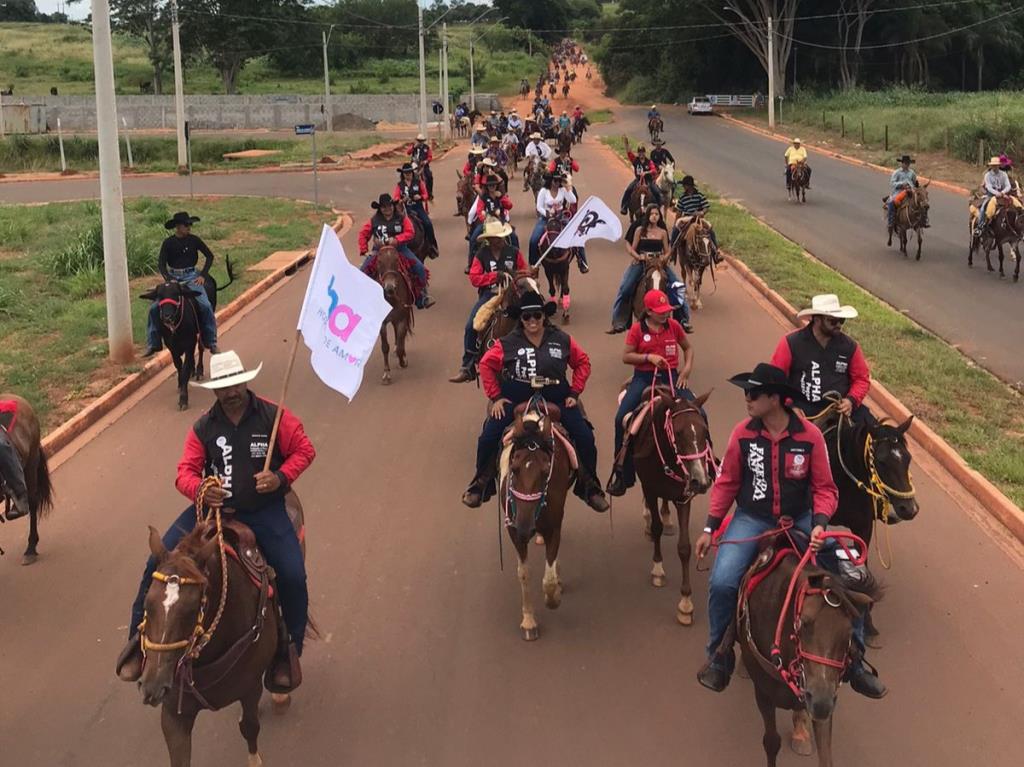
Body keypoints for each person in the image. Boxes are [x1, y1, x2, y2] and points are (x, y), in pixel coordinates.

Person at [116, 351, 315, 692]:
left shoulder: (273, 416)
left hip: (263, 510)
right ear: (214, 390)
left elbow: (305, 450)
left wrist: (280, 477)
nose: (230, 392)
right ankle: (138, 641)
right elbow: (185, 473)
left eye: (234, 384)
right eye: (222, 387)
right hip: (211, 514)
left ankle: (288, 651)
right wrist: (200, 491)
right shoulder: (204, 427)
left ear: (245, 381)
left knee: (294, 576)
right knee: (157, 562)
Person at [694, 362, 886, 699]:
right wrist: (711, 527)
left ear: (776, 399)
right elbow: (727, 483)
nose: (747, 399)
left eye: (753, 393)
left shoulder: (809, 437)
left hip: (801, 519)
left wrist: (821, 523)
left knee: (850, 576)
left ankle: (856, 661)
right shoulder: (742, 433)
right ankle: (719, 656)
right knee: (723, 581)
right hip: (752, 519)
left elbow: (826, 489)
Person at [461, 290, 610, 512]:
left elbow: (583, 362)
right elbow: (486, 365)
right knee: (488, 436)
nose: (532, 321)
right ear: (520, 319)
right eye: (526, 317)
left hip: (556, 395)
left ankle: (589, 486)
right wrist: (497, 397)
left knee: (585, 436)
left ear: (544, 316)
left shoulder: (562, 339)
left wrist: (574, 393)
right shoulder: (507, 343)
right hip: (516, 394)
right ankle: (481, 483)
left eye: (537, 316)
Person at [606, 289, 696, 496]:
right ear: (648, 311)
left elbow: (688, 349)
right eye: (660, 311)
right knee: (622, 418)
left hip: (672, 377)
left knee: (699, 414)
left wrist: (687, 370)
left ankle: (708, 463)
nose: (665, 314)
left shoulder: (673, 326)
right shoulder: (637, 330)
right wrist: (648, 358)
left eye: (667, 310)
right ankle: (621, 473)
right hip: (644, 379)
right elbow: (626, 356)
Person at [769, 293, 873, 423]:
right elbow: (774, 378)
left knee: (876, 431)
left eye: (841, 321)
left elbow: (861, 379)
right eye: (833, 321)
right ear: (817, 320)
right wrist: (790, 405)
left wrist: (851, 400)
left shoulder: (850, 346)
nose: (838, 325)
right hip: (801, 406)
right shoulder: (791, 342)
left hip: (838, 408)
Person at [450, 220, 530, 384]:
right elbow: (474, 277)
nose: (499, 240)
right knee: (471, 325)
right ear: (489, 239)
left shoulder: (514, 252)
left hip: (513, 293)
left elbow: (524, 271)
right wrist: (494, 276)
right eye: (495, 237)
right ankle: (468, 365)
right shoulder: (481, 255)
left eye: (501, 236)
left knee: (536, 315)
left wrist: (523, 273)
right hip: (490, 295)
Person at [144, 212, 219, 358]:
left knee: (206, 306)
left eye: (190, 224)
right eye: (186, 225)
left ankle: (211, 341)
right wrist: (169, 278)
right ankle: (153, 343)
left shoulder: (194, 240)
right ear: (178, 227)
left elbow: (209, 256)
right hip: (173, 278)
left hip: (192, 276)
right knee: (154, 308)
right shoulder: (168, 243)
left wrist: (203, 275)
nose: (189, 227)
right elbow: (161, 264)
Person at [609, 204, 692, 334]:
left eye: (657, 214)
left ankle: (683, 319)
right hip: (642, 263)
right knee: (626, 288)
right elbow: (631, 246)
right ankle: (620, 321)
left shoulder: (663, 232)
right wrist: (638, 256)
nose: (654, 216)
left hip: (659, 263)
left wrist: (665, 257)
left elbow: (668, 249)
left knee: (677, 286)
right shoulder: (639, 230)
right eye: (652, 214)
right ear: (648, 216)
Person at [358, 194, 435, 309]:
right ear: (380, 208)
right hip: (379, 250)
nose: (387, 209)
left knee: (419, 268)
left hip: (400, 249)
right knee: (362, 272)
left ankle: (421, 297)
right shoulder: (374, 221)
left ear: (393, 206)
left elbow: (410, 232)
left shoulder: (402, 218)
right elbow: (363, 234)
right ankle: (361, 301)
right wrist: (364, 250)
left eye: (389, 206)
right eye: (384, 207)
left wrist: (397, 240)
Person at [466, 174, 518, 269]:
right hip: (487, 223)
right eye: (490, 185)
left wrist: (502, 197)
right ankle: (470, 263)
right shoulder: (483, 197)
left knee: (514, 236)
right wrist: (485, 219)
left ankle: (517, 260)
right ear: (487, 186)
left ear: (496, 185)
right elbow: (479, 210)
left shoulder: (500, 196)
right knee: (473, 238)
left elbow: (510, 206)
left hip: (500, 223)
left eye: (493, 185)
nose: (492, 187)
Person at [530, 172, 577, 265]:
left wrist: (568, 188)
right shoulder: (544, 191)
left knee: (576, 234)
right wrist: (547, 214)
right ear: (551, 181)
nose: (557, 183)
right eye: (555, 180)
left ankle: (582, 260)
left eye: (559, 181)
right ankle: (533, 264)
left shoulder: (563, 190)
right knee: (534, 239)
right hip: (546, 219)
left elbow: (573, 200)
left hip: (560, 218)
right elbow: (539, 207)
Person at [671, 175, 721, 260]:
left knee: (710, 229)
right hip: (687, 217)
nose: (683, 187)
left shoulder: (699, 195)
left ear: (689, 186)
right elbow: (679, 211)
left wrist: (702, 212)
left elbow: (706, 207)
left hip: (699, 217)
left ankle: (715, 252)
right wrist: (675, 223)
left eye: (685, 185)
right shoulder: (682, 197)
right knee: (675, 231)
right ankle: (672, 251)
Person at [393, 163, 437, 251]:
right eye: (406, 173)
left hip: (417, 207)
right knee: (395, 225)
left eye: (409, 173)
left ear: (412, 173)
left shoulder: (418, 182)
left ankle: (432, 245)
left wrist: (420, 197)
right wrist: (401, 200)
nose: (408, 175)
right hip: (405, 209)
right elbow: (395, 198)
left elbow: (425, 195)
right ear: (403, 174)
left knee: (427, 223)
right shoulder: (399, 185)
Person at [885, 154, 929, 229]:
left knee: (923, 203)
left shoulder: (912, 173)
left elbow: (915, 182)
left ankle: (923, 221)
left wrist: (916, 187)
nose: (907, 165)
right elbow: (892, 183)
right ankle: (891, 221)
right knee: (891, 203)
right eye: (905, 163)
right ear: (902, 163)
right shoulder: (897, 172)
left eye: (908, 163)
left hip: (911, 191)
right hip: (899, 192)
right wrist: (902, 184)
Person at [620, 138, 662, 214]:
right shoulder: (635, 160)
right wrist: (626, 144)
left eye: (642, 152)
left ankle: (658, 207)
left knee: (657, 192)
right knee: (628, 190)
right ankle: (624, 206)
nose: (641, 154)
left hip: (648, 181)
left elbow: (654, 170)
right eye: (639, 152)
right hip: (638, 180)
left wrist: (646, 172)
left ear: (644, 153)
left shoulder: (649, 161)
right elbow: (629, 153)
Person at [975, 156, 1013, 237]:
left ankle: (1017, 225)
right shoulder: (987, 175)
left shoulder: (1004, 174)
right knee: (983, 208)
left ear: (999, 165)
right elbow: (988, 187)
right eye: (993, 165)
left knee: (1016, 205)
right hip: (991, 195)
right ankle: (980, 226)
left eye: (996, 165)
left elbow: (1008, 186)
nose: (995, 167)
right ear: (991, 166)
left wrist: (1002, 192)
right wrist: (996, 193)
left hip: (1003, 195)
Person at [407, 133, 434, 200]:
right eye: (419, 140)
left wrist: (425, 161)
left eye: (421, 141)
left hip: (423, 165)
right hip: (414, 163)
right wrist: (414, 147)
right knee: (408, 175)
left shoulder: (426, 148)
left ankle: (429, 193)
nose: (420, 142)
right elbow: (408, 152)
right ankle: (408, 192)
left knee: (429, 176)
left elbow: (430, 157)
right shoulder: (413, 146)